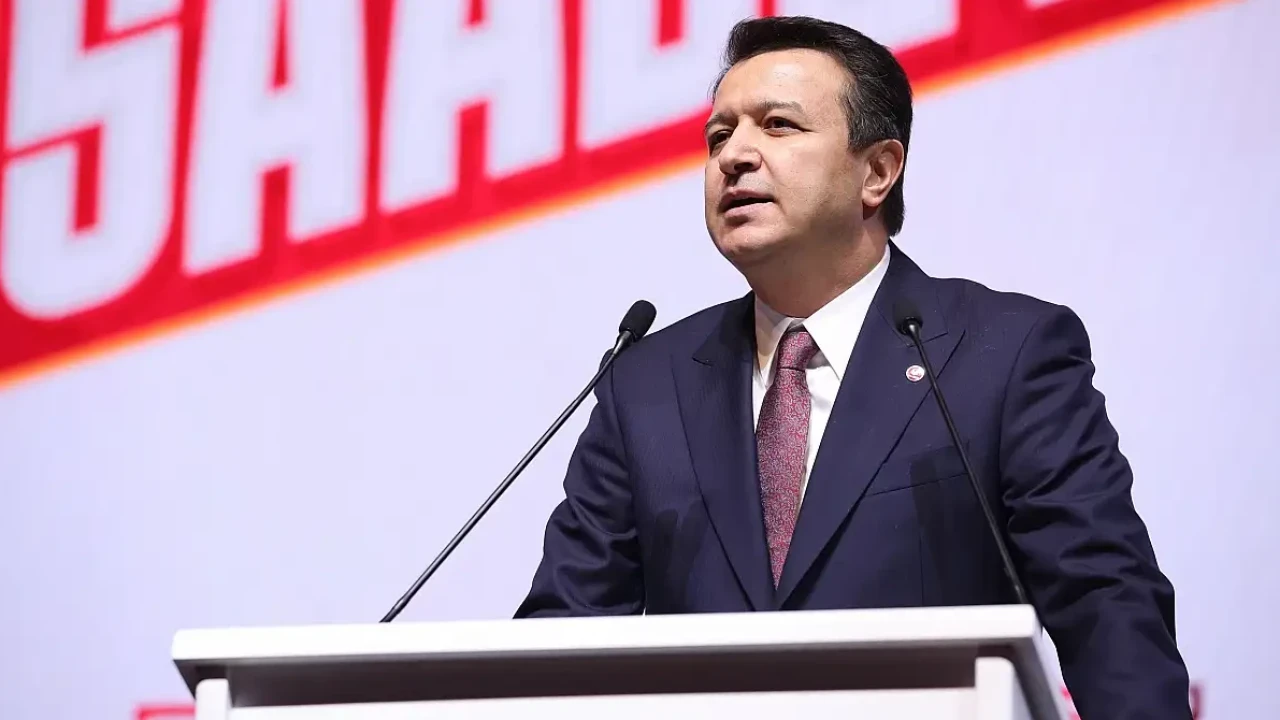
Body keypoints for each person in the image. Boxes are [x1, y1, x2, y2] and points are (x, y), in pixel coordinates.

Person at [515, 15, 1189, 719]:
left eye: (778, 125)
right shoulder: (647, 385)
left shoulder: (1004, 354)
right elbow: (560, 639)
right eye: (719, 136)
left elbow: (1104, 605)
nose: (733, 155)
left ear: (878, 172)